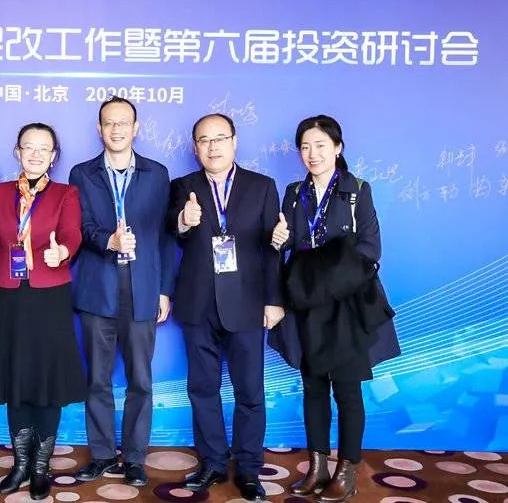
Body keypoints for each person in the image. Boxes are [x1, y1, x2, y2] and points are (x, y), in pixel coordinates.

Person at [270, 114, 400, 503]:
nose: (312, 154)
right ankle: (317, 467)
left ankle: (346, 471)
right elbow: (287, 244)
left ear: (338, 148)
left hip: (346, 304)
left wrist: (325, 274)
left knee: (346, 389)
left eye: (320, 146)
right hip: (307, 303)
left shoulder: (356, 190)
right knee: (312, 387)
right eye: (305, 147)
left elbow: (371, 249)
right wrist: (278, 238)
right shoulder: (294, 192)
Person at [166, 113, 283, 501]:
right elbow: (170, 234)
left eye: (219, 138)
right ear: (195, 147)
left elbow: (273, 248)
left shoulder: (262, 186)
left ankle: (248, 468)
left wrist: (274, 300)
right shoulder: (183, 186)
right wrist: (185, 220)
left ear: (234, 141)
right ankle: (213, 463)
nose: (212, 146)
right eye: (204, 140)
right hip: (198, 302)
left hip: (247, 303)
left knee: (250, 391)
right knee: (203, 389)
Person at [0, 123, 86, 501]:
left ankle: (40, 467)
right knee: (16, 381)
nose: (35, 155)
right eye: (28, 147)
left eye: (43, 149)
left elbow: (73, 234)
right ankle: (20, 464)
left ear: (54, 156)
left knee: (48, 384)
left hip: (50, 297)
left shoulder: (66, 193)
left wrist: (62, 252)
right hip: (9, 298)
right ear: (17, 152)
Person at [68, 97, 175, 487]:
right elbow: (79, 228)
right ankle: (100, 454)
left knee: (140, 380)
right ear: (99, 129)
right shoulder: (82, 174)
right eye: (109, 123)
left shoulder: (157, 174)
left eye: (123, 123)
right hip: (98, 287)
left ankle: (134, 458)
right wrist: (108, 241)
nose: (116, 130)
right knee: (97, 379)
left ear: (136, 128)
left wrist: (164, 289)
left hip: (142, 287)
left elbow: (165, 237)